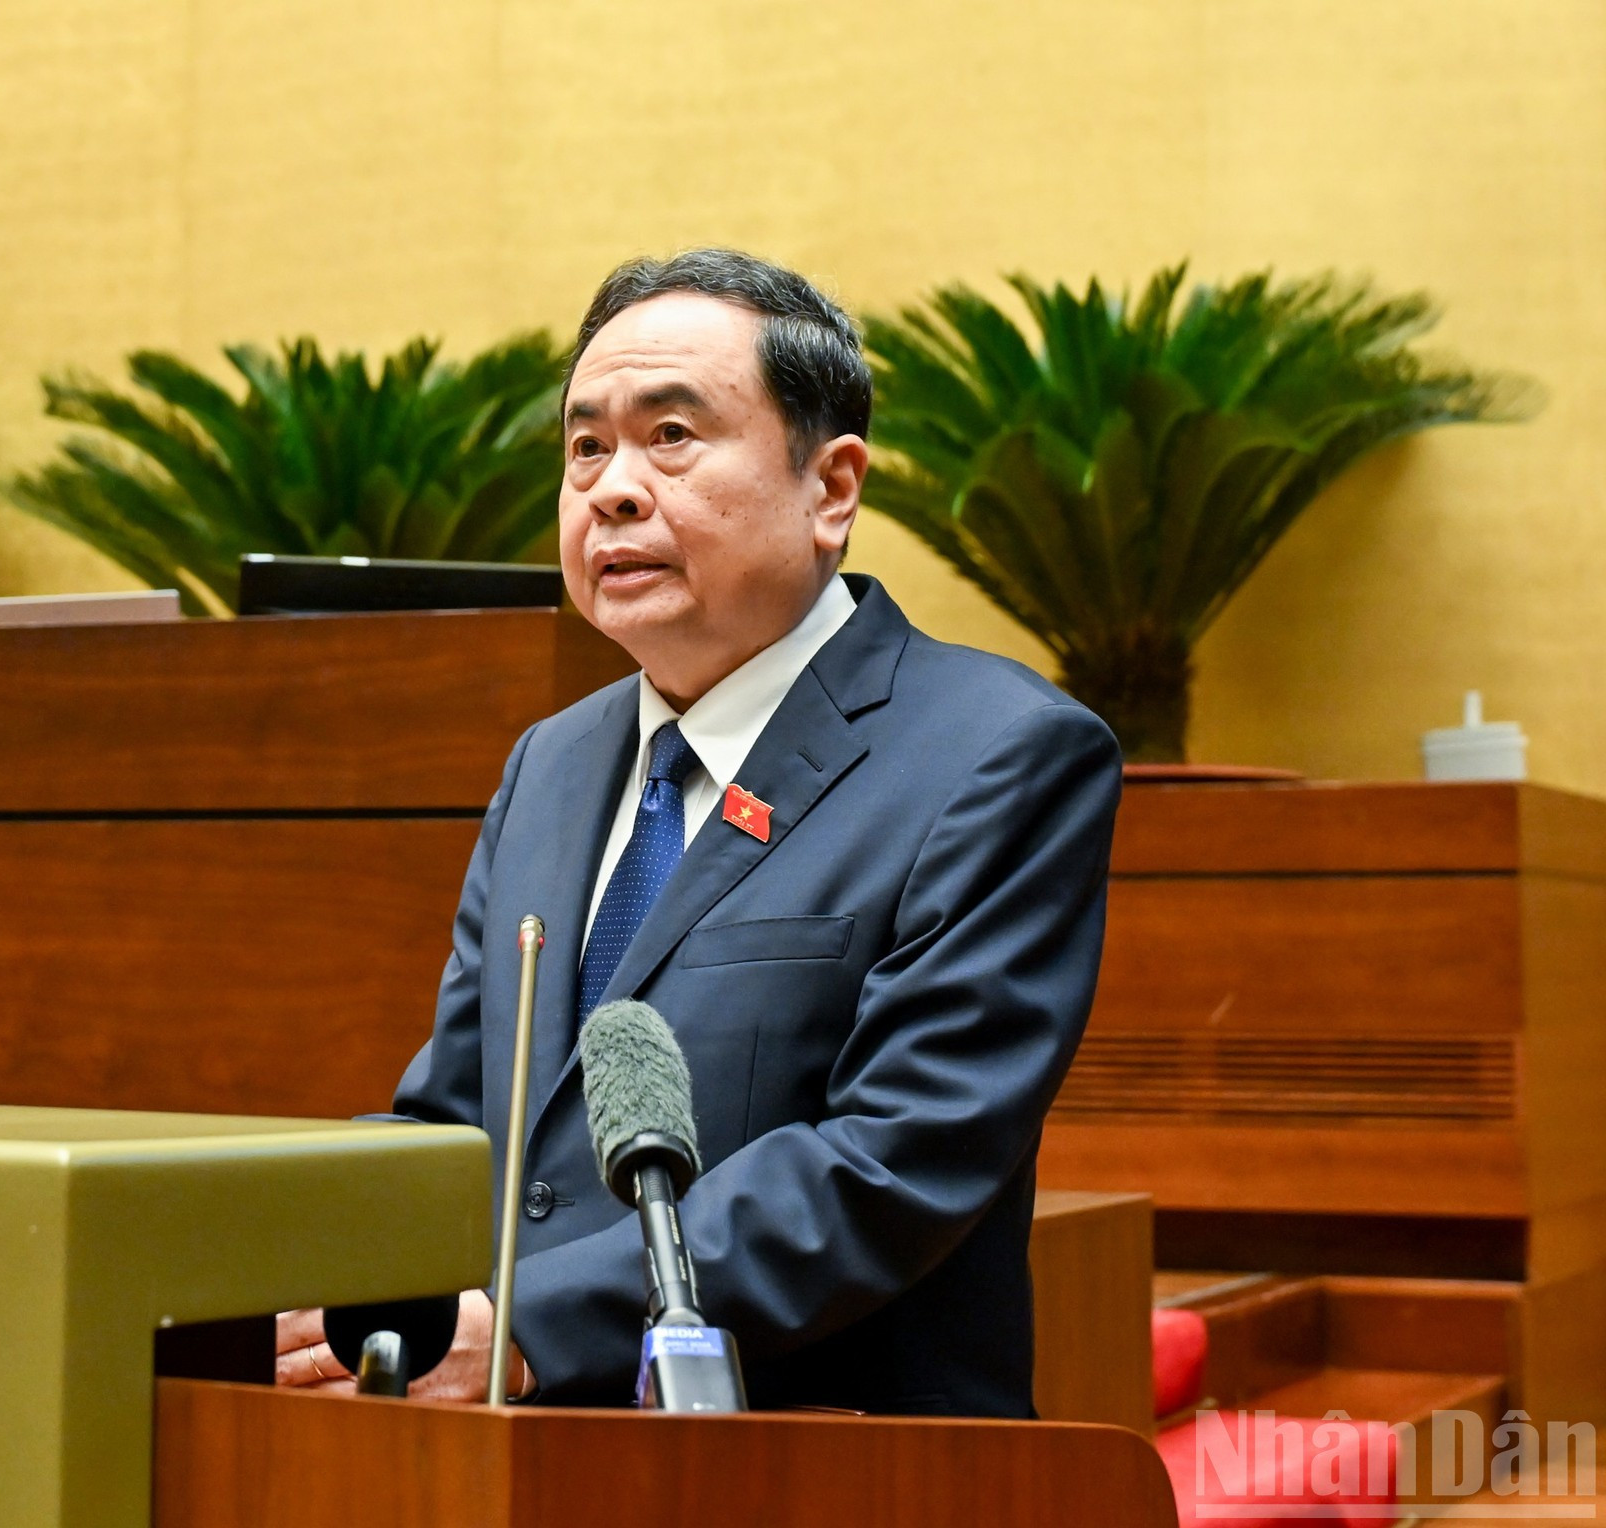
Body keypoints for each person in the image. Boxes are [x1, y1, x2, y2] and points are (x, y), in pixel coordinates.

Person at [276, 248, 1121, 1414]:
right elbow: (463, 1118)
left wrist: (530, 1332)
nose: (612, 488)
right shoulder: (552, 765)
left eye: (670, 434)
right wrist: (265, 1257)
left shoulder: (995, 752)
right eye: (584, 447)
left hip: (835, 1462)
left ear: (830, 487)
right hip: (513, 1459)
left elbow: (892, 1160)